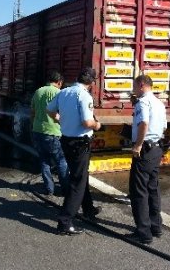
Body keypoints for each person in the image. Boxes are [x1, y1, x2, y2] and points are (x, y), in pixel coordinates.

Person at [47, 67, 102, 235]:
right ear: (92, 83)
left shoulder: (63, 92)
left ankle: (88, 210)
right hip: (80, 143)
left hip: (66, 140)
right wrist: (97, 125)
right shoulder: (84, 95)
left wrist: (62, 120)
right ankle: (65, 221)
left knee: (80, 175)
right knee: (78, 181)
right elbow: (87, 122)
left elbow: (49, 110)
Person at [127, 74, 167, 244]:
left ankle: (143, 232)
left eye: (135, 86)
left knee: (139, 190)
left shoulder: (143, 102)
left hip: (144, 150)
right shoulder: (159, 103)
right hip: (156, 148)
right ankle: (155, 226)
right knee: (152, 188)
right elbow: (164, 126)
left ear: (142, 85)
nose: (134, 90)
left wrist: (138, 144)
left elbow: (143, 123)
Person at [31, 71, 69, 196]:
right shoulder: (59, 93)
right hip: (53, 132)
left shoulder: (38, 91)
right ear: (59, 82)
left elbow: (33, 112)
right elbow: (63, 113)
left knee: (44, 161)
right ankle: (65, 189)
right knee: (61, 161)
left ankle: (49, 189)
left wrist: (34, 125)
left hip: (38, 130)